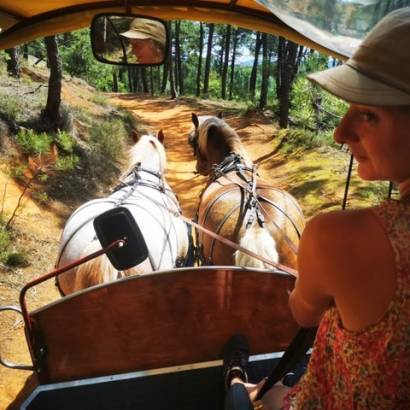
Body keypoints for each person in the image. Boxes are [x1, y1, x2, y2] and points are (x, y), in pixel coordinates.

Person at [224, 7, 410, 410]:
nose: (339, 132)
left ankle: (236, 378)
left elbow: (303, 313)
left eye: (367, 114)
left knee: (257, 397)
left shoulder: (337, 237)